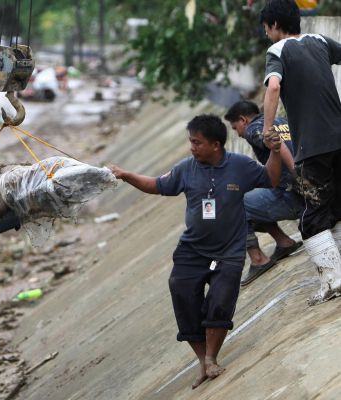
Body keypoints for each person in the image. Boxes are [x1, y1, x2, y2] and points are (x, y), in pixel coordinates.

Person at [110, 114, 282, 389]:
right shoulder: (185, 169)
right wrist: (127, 175)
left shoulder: (240, 166)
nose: (191, 147)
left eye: (196, 142)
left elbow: (271, 179)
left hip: (229, 250)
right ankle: (202, 360)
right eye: (191, 141)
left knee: (220, 301)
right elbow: (157, 185)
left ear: (215, 145)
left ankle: (212, 357)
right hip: (193, 251)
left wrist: (275, 152)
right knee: (182, 294)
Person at [260, 0, 341, 305]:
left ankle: (332, 282)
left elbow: (274, 87)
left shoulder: (278, 52)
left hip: (313, 146)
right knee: (337, 206)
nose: (267, 35)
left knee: (313, 217)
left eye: (266, 29)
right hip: (339, 136)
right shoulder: (319, 41)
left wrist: (268, 129)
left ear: (275, 26)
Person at [224, 100, 304, 286]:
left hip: (297, 195)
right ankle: (284, 242)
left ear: (243, 120)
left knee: (231, 204)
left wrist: (297, 175)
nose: (238, 133)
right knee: (252, 193)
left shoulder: (254, 130)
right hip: (315, 188)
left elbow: (276, 145)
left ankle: (258, 259)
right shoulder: (280, 121)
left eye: (235, 128)